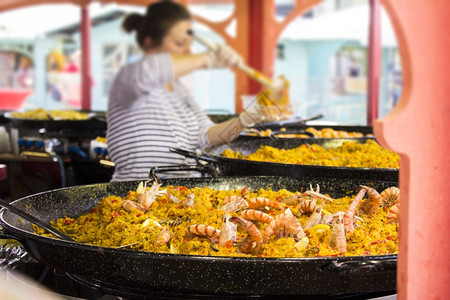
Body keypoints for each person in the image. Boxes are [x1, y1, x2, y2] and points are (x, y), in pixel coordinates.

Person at [106, 0, 288, 181]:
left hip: (183, 194)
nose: (188, 51)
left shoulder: (179, 90)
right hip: (135, 196)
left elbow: (207, 135)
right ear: (150, 45)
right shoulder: (129, 78)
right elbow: (151, 70)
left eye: (189, 43)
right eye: (179, 43)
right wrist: (208, 59)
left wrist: (248, 118)